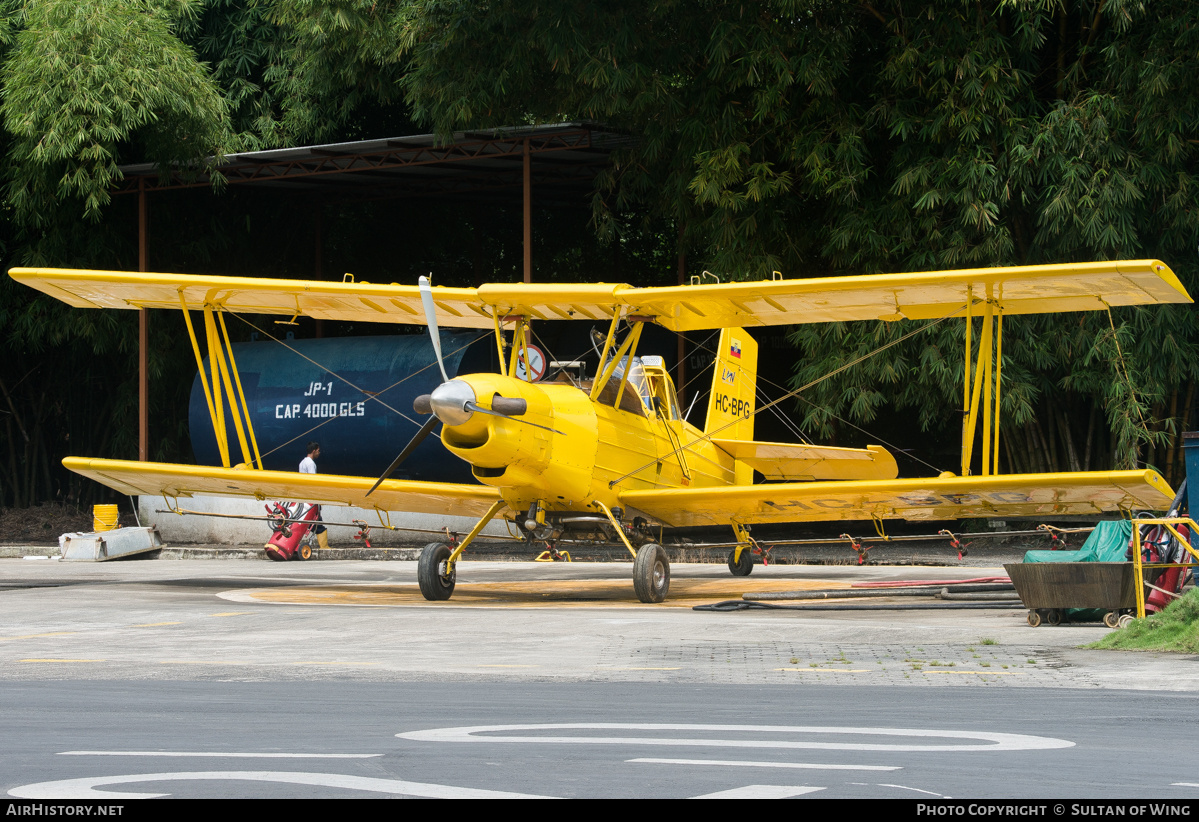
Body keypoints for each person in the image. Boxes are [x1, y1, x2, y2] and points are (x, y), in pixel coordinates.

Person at [299, 441, 329, 550]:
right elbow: (313, 481)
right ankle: (324, 547)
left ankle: (323, 545)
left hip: (304, 496)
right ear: (314, 450)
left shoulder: (302, 463)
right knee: (317, 522)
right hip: (310, 497)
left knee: (313, 521)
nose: (319, 453)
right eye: (318, 451)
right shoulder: (311, 463)